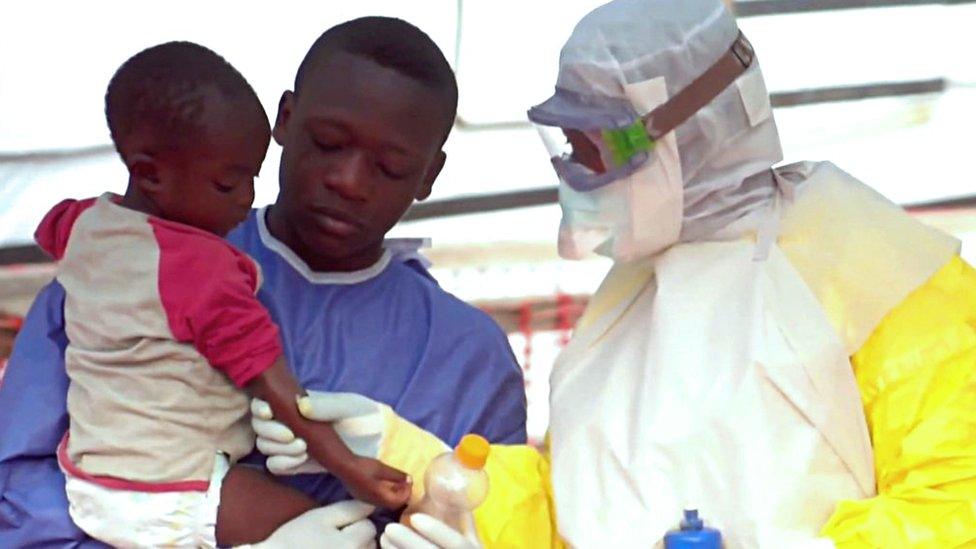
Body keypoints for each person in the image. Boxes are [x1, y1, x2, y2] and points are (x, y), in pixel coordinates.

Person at [255, 1, 976, 547]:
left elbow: (955, 503)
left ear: (673, 135)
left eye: (589, 146)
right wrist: (399, 453)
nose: (575, 172)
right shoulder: (632, 299)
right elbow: (566, 507)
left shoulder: (880, 271)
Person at [0, 17, 527, 548]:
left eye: (390, 168)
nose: (348, 182)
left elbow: (506, 517)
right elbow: (20, 496)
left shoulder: (468, 359)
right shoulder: (128, 267)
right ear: (285, 119)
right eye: (326, 143)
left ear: (429, 176)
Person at [36, 41, 414, 548]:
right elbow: (275, 388)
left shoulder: (79, 224)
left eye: (253, 177)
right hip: (177, 488)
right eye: (228, 183)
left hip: (90, 481)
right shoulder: (200, 269)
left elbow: (49, 231)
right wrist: (351, 466)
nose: (247, 199)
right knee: (345, 532)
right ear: (149, 173)